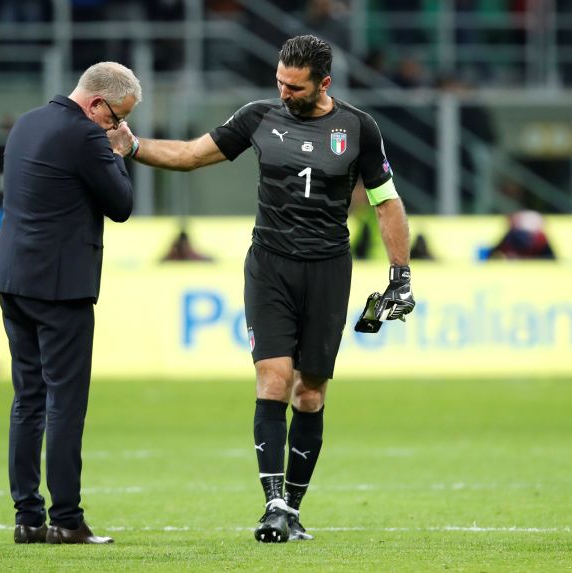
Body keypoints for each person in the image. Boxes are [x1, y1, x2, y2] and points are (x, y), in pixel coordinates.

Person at [109, 35, 415, 543]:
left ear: (324, 84)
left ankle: (291, 509)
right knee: (274, 378)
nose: (283, 91)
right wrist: (134, 146)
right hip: (269, 266)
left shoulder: (359, 128)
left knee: (311, 391)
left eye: (294, 87)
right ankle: (272, 504)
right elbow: (188, 154)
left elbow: (386, 202)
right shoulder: (257, 117)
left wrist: (399, 274)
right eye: (279, 81)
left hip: (328, 269)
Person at [0, 61, 141, 545]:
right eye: (116, 118)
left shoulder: (26, 122)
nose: (118, 128)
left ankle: (27, 518)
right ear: (95, 104)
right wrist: (118, 153)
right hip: (60, 286)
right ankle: (67, 520)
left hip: (12, 276)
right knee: (65, 403)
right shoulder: (88, 137)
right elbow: (122, 206)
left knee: (27, 398)